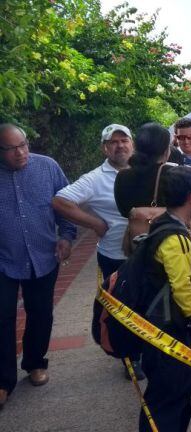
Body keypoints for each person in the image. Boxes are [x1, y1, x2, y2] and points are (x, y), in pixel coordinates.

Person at [52, 124, 145, 381]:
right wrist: (94, 223)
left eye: (124, 140)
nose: (120, 146)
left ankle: (149, 349)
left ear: (132, 144)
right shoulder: (94, 178)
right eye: (113, 142)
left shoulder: (145, 170)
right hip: (115, 255)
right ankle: (130, 356)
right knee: (124, 308)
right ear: (105, 148)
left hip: (148, 253)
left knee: (148, 304)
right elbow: (60, 201)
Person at [0, 123, 76, 408]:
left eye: (23, 145)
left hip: (43, 255)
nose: (20, 152)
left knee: (41, 312)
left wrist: (66, 236)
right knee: (2, 317)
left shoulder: (47, 167)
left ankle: (35, 362)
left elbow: (66, 204)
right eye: (11, 148)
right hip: (4, 259)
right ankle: (3, 381)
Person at [137, 166, 191, 432]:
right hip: (170, 332)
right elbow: (182, 285)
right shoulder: (175, 238)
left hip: (158, 329)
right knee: (170, 397)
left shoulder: (162, 225)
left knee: (166, 396)